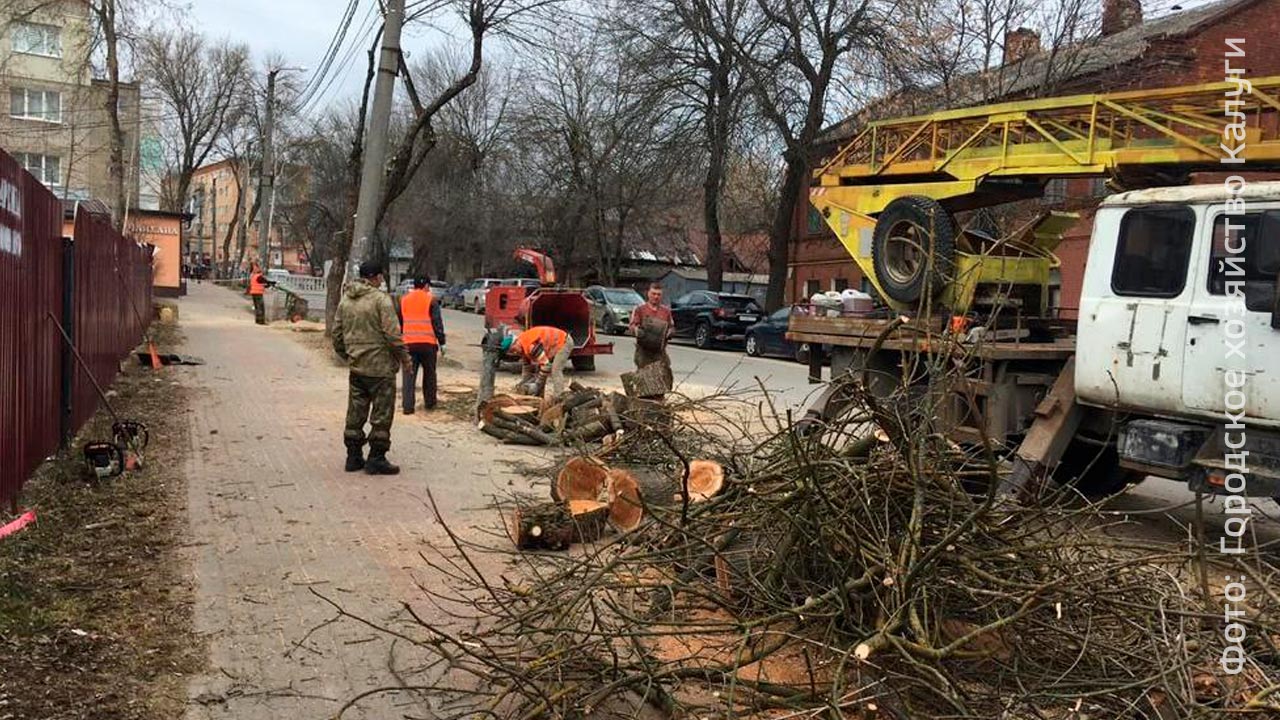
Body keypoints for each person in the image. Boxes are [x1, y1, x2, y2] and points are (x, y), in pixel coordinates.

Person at [332, 261, 411, 475]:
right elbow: (393, 335)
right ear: (375, 277)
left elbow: (336, 335)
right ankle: (376, 458)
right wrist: (405, 358)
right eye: (381, 278)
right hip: (381, 369)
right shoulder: (381, 301)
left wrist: (349, 356)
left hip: (357, 367)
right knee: (381, 414)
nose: (382, 281)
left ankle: (353, 457)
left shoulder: (346, 300)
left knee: (355, 412)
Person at [399, 277, 446, 414]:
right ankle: (430, 403)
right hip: (428, 345)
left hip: (408, 344)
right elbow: (437, 323)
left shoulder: (404, 300)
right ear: (425, 286)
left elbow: (401, 322)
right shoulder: (431, 300)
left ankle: (408, 407)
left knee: (408, 375)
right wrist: (442, 342)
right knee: (430, 374)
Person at [501, 325, 573, 399]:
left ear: (516, 342)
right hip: (553, 344)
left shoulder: (530, 346)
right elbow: (527, 367)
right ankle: (539, 398)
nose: (515, 353)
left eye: (513, 350)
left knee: (555, 370)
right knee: (540, 370)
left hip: (564, 342)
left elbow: (546, 365)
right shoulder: (521, 347)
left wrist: (537, 384)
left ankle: (559, 397)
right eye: (512, 352)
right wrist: (524, 382)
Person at [628, 283, 674, 391]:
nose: (656, 297)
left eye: (658, 294)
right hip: (643, 352)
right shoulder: (640, 309)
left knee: (662, 377)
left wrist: (669, 332)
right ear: (648, 294)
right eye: (653, 294)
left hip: (659, 352)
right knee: (645, 380)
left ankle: (659, 401)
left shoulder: (666, 311)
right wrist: (637, 331)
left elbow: (672, 327)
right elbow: (632, 326)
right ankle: (644, 401)